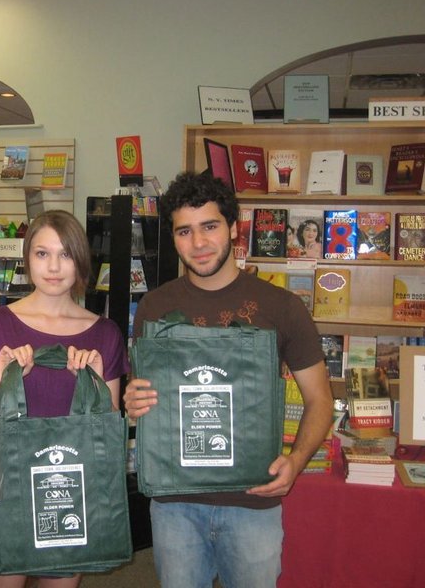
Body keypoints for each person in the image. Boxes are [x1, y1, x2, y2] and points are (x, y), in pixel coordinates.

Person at [124, 172, 333, 588]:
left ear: (233, 228)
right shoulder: (153, 306)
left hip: (252, 501)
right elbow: (144, 397)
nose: (198, 243)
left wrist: (295, 462)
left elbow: (320, 401)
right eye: (185, 231)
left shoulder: (283, 307)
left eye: (210, 226)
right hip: (175, 504)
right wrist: (134, 402)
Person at [0, 210, 130, 588]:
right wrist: (0, 383)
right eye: (41, 254)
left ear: (81, 261)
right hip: (7, 486)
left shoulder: (105, 334)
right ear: (26, 259)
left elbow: (108, 432)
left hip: (71, 491)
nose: (53, 266)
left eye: (65, 254)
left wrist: (96, 384)